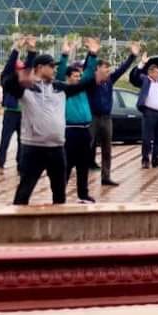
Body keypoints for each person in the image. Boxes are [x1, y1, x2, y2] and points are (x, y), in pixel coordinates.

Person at [4, 38, 102, 206]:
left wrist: (92, 55)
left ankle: (58, 221)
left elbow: (84, 84)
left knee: (59, 193)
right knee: (24, 191)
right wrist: (25, 53)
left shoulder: (60, 88)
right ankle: (17, 220)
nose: (54, 69)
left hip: (57, 149)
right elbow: (6, 80)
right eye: (51, 66)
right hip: (33, 148)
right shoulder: (26, 89)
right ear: (39, 68)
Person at [87, 44, 136, 187]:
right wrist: (91, 53)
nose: (108, 71)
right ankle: (82, 175)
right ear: (97, 69)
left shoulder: (109, 81)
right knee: (87, 146)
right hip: (93, 117)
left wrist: (132, 56)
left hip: (107, 118)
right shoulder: (91, 82)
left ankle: (106, 176)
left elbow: (122, 69)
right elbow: (86, 69)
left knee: (107, 149)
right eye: (105, 69)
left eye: (108, 69)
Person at [58, 37, 98, 204]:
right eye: (75, 76)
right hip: (70, 131)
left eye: (79, 76)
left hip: (85, 131)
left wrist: (92, 54)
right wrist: (64, 55)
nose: (78, 78)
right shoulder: (64, 90)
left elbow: (89, 73)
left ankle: (83, 194)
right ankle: (59, 194)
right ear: (68, 78)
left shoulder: (82, 88)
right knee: (66, 165)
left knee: (83, 165)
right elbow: (60, 73)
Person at [129, 42, 158, 169]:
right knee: (147, 138)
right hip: (149, 112)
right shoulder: (145, 80)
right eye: (156, 72)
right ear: (150, 73)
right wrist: (142, 63)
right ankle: (145, 159)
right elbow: (135, 76)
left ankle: (155, 159)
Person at [0, 36, 27, 172]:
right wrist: (16, 49)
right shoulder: (7, 80)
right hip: (10, 112)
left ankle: (20, 164)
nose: (20, 71)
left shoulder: (25, 81)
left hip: (23, 113)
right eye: (18, 69)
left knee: (22, 141)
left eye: (21, 69)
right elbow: (9, 66)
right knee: (5, 139)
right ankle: (0, 163)